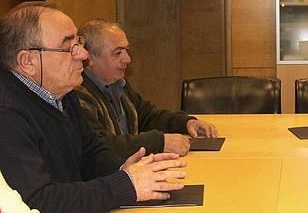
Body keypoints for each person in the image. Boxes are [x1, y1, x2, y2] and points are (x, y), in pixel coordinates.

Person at [0, 2, 186, 212]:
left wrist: (122, 169)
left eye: (79, 42)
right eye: (69, 47)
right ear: (28, 61)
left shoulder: (63, 92)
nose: (84, 55)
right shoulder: (7, 115)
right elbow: (39, 201)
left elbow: (89, 152)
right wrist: (126, 185)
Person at [75, 19, 218, 159]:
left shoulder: (118, 85)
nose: (127, 59)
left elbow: (147, 117)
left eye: (126, 50)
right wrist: (159, 142)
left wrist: (186, 122)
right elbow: (101, 145)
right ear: (90, 57)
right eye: (117, 53)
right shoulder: (78, 95)